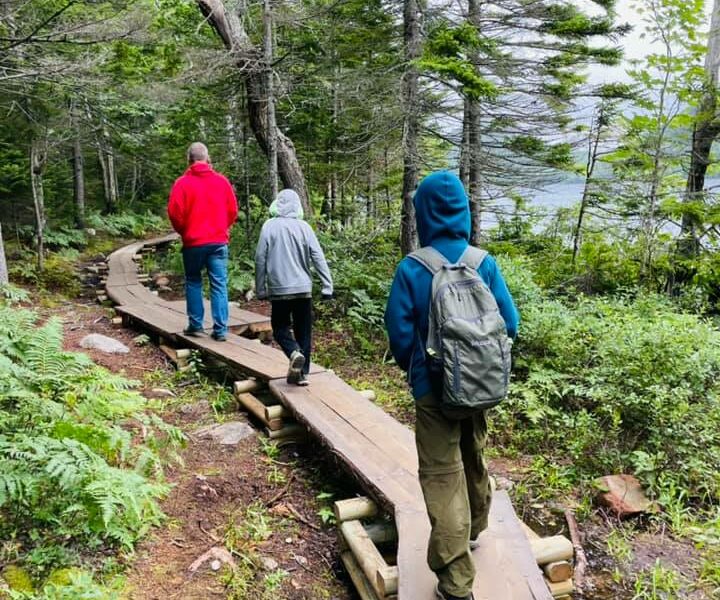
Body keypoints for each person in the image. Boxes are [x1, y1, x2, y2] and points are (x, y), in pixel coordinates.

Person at [384, 171, 519, 600]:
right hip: (479, 386)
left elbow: (399, 333)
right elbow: (510, 324)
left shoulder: (413, 267)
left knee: (443, 476)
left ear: (423, 212)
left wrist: (418, 372)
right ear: (462, 211)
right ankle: (476, 527)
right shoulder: (484, 263)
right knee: (473, 454)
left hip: (433, 390)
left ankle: (456, 583)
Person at [255, 189, 333, 385]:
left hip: (279, 290)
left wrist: (261, 288)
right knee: (303, 331)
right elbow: (318, 256)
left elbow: (260, 259)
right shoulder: (304, 227)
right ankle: (302, 374)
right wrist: (327, 285)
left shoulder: (269, 227)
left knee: (280, 327)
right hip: (303, 289)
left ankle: (292, 352)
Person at [168, 142, 238, 342]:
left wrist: (185, 231)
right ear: (207, 159)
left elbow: (175, 213)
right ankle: (220, 329)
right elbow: (232, 210)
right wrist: (222, 227)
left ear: (189, 160)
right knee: (219, 284)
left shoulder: (182, 183)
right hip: (217, 242)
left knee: (193, 281)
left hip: (193, 243)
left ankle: (196, 325)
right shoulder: (221, 182)